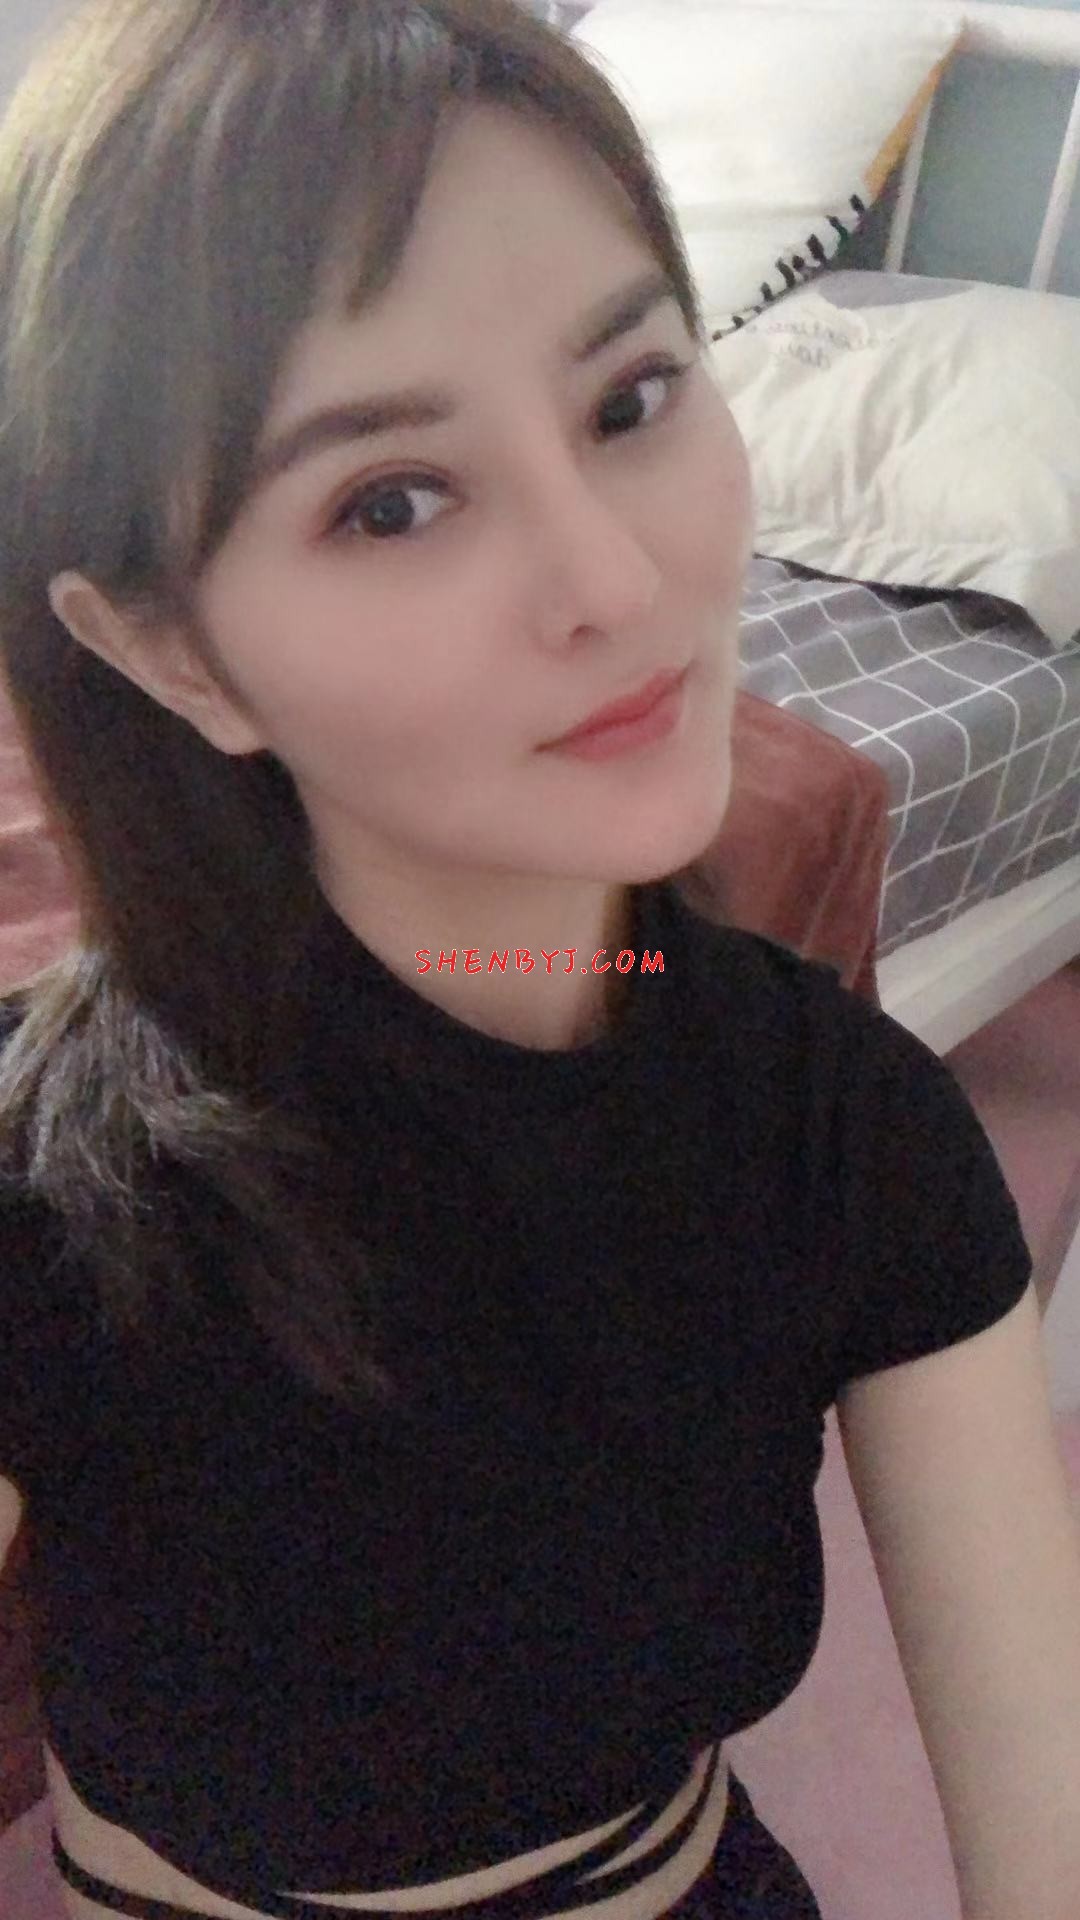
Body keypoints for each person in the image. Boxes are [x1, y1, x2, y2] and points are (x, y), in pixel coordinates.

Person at [0, 4, 1069, 1918]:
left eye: (632, 399)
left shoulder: (847, 1130)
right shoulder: (46, 1192)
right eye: (391, 500)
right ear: (171, 654)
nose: (615, 581)